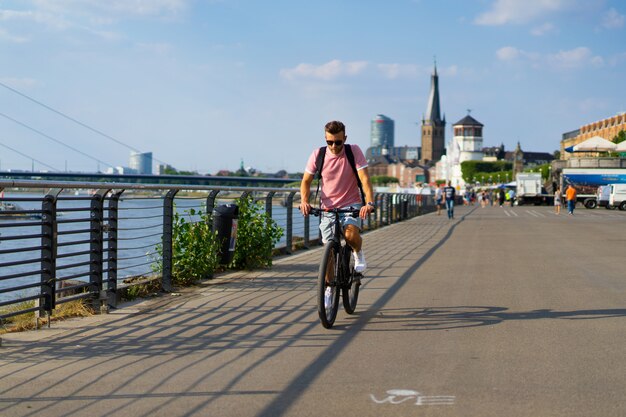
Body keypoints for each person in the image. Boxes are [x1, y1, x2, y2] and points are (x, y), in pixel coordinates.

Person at [299, 120, 375, 276]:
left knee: (350, 235)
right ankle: (328, 289)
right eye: (330, 142)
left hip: (351, 204)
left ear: (345, 139)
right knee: (328, 254)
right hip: (327, 207)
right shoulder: (317, 155)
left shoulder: (353, 151)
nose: (334, 146)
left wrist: (369, 203)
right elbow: (306, 181)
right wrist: (304, 201)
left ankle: (358, 252)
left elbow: (365, 179)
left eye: (338, 142)